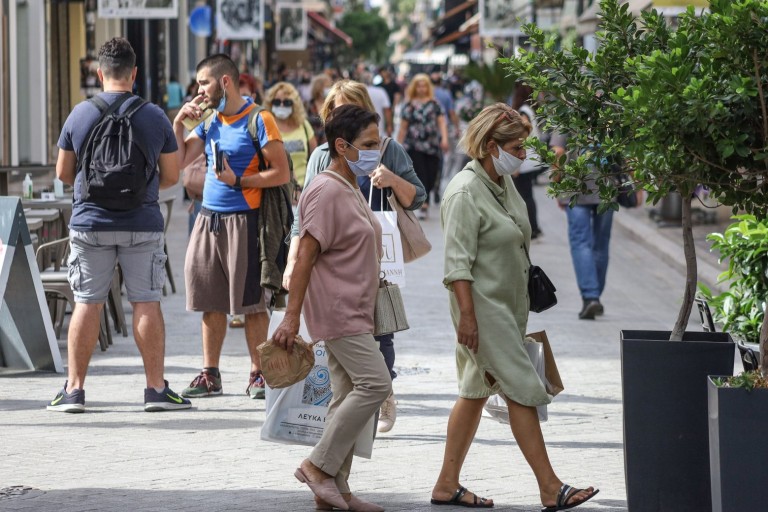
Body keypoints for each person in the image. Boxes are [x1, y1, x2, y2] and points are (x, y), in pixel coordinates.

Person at [432, 103, 599, 510]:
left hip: (507, 307)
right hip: (482, 310)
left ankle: (445, 484)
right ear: (492, 146)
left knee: (474, 391)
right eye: (517, 147)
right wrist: (468, 319)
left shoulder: (501, 184)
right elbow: (456, 266)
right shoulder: (464, 192)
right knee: (524, 389)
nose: (524, 154)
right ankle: (550, 487)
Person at [47, 37, 191, 413]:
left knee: (86, 302)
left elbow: (63, 172)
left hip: (90, 222)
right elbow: (172, 176)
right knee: (146, 301)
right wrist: (138, 190)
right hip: (141, 223)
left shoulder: (79, 114)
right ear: (135, 74)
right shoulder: (154, 115)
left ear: (100, 73)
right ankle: (156, 390)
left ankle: (74, 391)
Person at [285, 79, 426, 433]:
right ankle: (328, 457)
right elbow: (307, 219)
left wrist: (391, 179)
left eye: (348, 109)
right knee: (355, 366)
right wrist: (292, 264)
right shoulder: (322, 158)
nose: (339, 116)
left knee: (383, 327)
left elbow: (417, 197)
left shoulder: (386, 149)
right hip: (337, 264)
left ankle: (378, 399)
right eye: (334, 110)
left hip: (381, 254)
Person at [272, 104, 392, 512]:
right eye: (369, 144)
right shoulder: (325, 189)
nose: (378, 150)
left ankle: (337, 491)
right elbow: (304, 256)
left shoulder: (350, 185)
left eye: (380, 142)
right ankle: (317, 467)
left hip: (357, 307)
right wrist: (291, 316)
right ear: (342, 146)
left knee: (345, 396)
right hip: (338, 309)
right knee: (375, 384)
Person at [172, 54, 291, 400]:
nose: (200, 91)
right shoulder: (210, 122)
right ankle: (210, 374)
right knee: (209, 300)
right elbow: (180, 161)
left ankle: (259, 373)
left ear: (224, 82)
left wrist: (239, 180)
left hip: (247, 221)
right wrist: (178, 123)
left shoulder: (260, 119)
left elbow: (281, 173)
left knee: (252, 303)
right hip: (208, 219)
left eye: (204, 83)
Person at [550, 131, 612, 320]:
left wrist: (556, 184)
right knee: (601, 244)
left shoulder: (567, 110)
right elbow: (626, 151)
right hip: (607, 188)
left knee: (581, 243)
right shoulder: (614, 109)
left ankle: (590, 296)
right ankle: (595, 296)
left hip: (575, 187)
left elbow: (558, 151)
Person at [397, 73, 449, 220]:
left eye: (424, 85)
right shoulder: (409, 105)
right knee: (420, 173)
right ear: (414, 87)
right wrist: (398, 145)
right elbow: (403, 127)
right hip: (414, 145)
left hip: (432, 145)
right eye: (418, 85)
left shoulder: (434, 104)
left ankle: (426, 194)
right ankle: (424, 203)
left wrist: (444, 139)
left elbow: (441, 122)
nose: (421, 88)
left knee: (432, 173)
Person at [263, 81, 317, 190]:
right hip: (276, 192)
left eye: (286, 102)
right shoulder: (264, 127)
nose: (281, 105)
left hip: (303, 190)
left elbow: (315, 158)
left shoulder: (304, 125)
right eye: (277, 102)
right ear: (270, 103)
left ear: (294, 104)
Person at [511, 83, 545, 239]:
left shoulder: (523, 112)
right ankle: (533, 227)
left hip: (525, 160)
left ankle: (532, 228)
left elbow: (521, 137)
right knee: (527, 194)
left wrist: (516, 164)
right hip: (531, 158)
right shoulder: (530, 110)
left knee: (525, 196)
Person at [429, 71, 460, 205]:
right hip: (442, 131)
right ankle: (436, 187)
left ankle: (428, 188)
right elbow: (451, 112)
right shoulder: (446, 94)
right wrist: (457, 127)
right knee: (439, 160)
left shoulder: (426, 93)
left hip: (427, 131)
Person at [360, 71, 393, 138]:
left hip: (360, 132)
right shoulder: (380, 91)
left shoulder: (358, 92)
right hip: (378, 130)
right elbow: (387, 110)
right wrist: (389, 126)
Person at [306, 73, 334, 145]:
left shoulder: (333, 105)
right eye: (327, 86)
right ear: (319, 88)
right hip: (312, 144)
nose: (330, 89)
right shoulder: (308, 106)